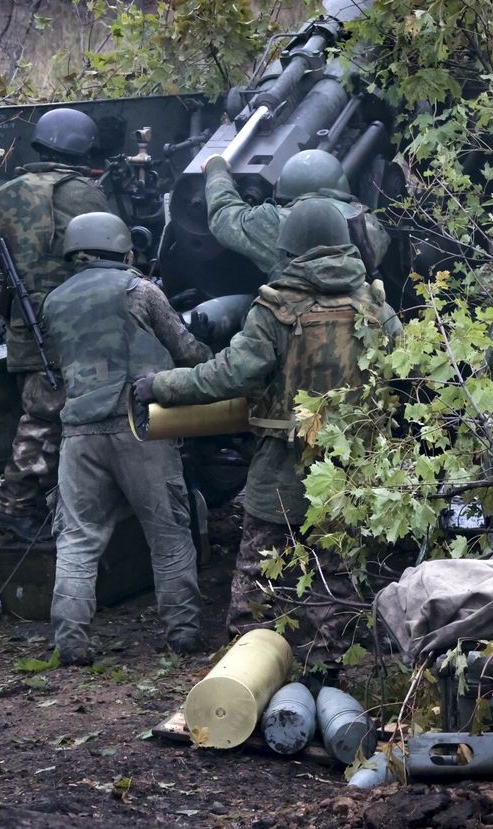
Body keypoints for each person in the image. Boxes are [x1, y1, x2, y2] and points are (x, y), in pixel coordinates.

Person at [134, 199, 402, 666]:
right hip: (353, 472)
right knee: (335, 578)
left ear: (292, 247)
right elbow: (409, 375)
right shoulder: (377, 307)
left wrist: (160, 385)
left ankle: (244, 674)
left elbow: (228, 375)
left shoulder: (277, 306)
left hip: (282, 467)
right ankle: (326, 671)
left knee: (257, 576)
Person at [42, 211, 212, 665]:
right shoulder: (140, 289)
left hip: (77, 435)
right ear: (124, 250)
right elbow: (187, 351)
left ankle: (71, 643)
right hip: (139, 428)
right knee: (169, 532)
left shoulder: (53, 302)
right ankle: (184, 635)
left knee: (77, 540)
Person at [0, 108, 109, 542]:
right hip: (72, 326)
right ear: (82, 148)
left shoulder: (5, 194)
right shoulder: (81, 194)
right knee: (46, 418)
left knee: (43, 414)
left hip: (27, 325)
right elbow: (109, 254)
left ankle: (36, 506)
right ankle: (17, 507)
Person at [203, 148, 390, 281]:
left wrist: (216, 169)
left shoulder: (276, 223)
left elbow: (225, 217)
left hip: (293, 324)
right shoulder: (368, 224)